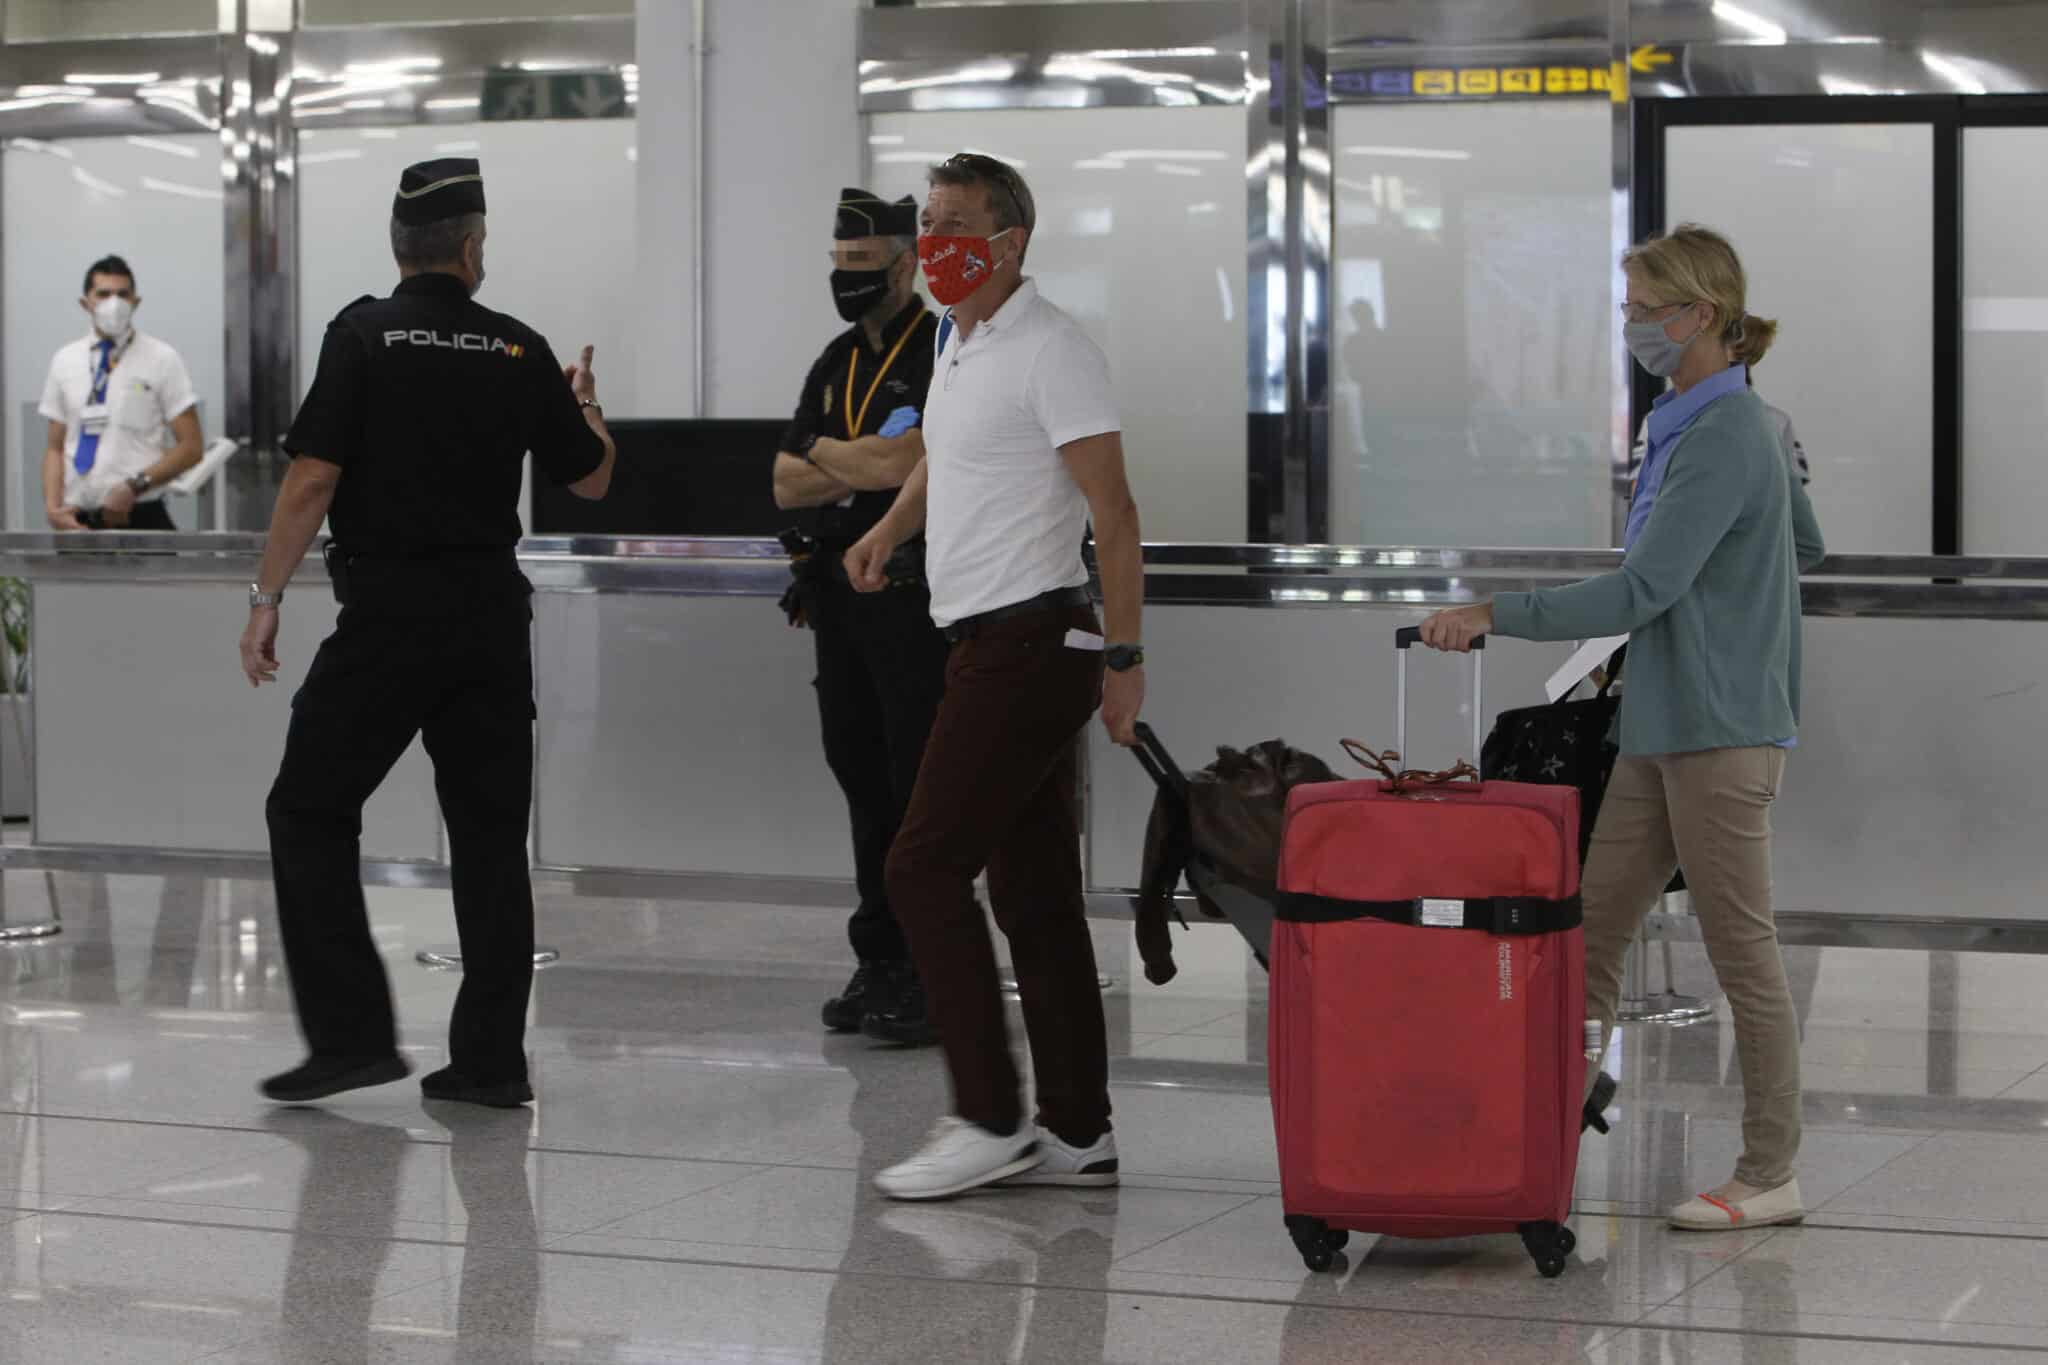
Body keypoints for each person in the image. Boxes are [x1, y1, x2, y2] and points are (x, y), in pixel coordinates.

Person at [1419, 224, 1825, 1231]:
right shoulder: (1688, 421)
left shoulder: (1729, 432)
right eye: (1628, 308)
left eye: (1644, 308)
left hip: (1718, 732)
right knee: (1589, 929)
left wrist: (1492, 613)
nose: (1632, 325)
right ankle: (1530, 1138)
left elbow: (1645, 583)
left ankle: (1769, 1170)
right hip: (1659, 722)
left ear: (1699, 314)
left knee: (1741, 953)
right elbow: (1797, 541)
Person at [239, 158, 615, 1107]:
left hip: (390, 618)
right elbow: (593, 476)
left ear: (399, 247)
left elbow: (312, 481)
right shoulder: (520, 350)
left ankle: (354, 1035)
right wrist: (589, 415)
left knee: (308, 808)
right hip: (490, 618)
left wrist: (266, 594)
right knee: (490, 837)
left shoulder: (363, 334)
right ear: (473, 247)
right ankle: (491, 1061)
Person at [845, 152, 1148, 1200]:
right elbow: (945, 453)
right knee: (1032, 895)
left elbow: (1114, 513)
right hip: (979, 638)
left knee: (920, 868)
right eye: (925, 222)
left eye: (950, 223)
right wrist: (889, 528)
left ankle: (986, 1115)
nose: (930, 243)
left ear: (1007, 242)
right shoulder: (956, 339)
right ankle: (1075, 1131)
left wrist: (1124, 657)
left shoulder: (1052, 349)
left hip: (1030, 644)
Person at [772, 189, 948, 1046]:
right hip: (836, 599)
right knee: (860, 774)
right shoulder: (835, 359)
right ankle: (878, 957)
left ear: (905, 263)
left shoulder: (944, 346)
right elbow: (782, 480)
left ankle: (929, 967)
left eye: (863, 267)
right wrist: (860, 465)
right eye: (838, 267)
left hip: (918, 601)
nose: (846, 281)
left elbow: (914, 462)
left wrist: (831, 458)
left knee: (918, 782)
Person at [39, 254, 204, 531]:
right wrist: (53, 508)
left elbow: (191, 447)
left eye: (122, 294)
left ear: (135, 302)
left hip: (140, 513)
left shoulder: (162, 359)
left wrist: (134, 486)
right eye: (103, 294)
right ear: (85, 303)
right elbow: (55, 447)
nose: (113, 303)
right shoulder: (64, 360)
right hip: (77, 518)